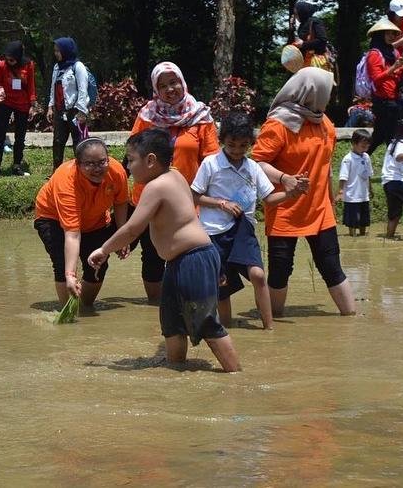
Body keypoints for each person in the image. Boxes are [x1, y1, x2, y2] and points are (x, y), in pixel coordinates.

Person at [88, 129, 241, 372]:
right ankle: (175, 371)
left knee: (206, 322)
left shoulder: (156, 186)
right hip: (182, 261)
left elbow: (132, 229)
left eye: (131, 159)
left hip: (193, 259)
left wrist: (103, 249)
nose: (128, 167)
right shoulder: (175, 175)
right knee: (172, 323)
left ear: (150, 160)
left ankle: (237, 378)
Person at [251, 68, 356, 318]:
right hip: (285, 209)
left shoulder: (324, 123)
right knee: (280, 270)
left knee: (331, 266)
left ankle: (352, 318)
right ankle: (272, 321)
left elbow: (326, 165)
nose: (329, 98)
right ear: (312, 93)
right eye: (327, 92)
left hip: (320, 210)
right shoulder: (278, 125)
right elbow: (256, 163)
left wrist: (330, 200)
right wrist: (284, 178)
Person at [191, 113, 298, 330]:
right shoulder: (211, 164)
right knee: (222, 284)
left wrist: (290, 194)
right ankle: (227, 328)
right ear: (222, 140)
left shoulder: (253, 167)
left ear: (250, 143)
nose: (237, 150)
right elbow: (194, 196)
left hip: (243, 229)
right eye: (232, 145)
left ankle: (269, 328)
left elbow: (268, 199)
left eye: (243, 145)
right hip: (214, 232)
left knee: (258, 275)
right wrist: (221, 203)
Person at [129, 61, 220, 302]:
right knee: (152, 255)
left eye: (174, 82)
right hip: (149, 197)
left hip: (188, 199)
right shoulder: (147, 115)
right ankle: (156, 307)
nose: (170, 89)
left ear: (183, 82)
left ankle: (186, 300)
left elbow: (212, 162)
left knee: (186, 252)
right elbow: (133, 153)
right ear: (156, 89)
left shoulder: (201, 115)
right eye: (163, 85)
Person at [34, 138, 129, 310]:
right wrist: (71, 275)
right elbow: (72, 234)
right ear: (77, 164)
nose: (98, 169)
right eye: (90, 164)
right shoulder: (66, 180)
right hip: (53, 217)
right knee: (63, 263)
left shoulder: (116, 171)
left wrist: (122, 234)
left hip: (94, 219)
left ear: (109, 158)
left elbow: (121, 202)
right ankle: (68, 311)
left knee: (98, 264)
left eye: (102, 162)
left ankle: (84, 306)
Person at [0, 41, 37, 177]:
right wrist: (1, 89)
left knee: (20, 136)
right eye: (7, 58)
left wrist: (32, 103)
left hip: (22, 103)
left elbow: (31, 85)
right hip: (6, 102)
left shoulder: (29, 65)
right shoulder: (2, 65)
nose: (9, 61)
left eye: (12, 59)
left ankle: (17, 165)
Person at [365, 17, 403, 156]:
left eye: (394, 34)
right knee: (392, 136)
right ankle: (394, 169)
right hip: (383, 100)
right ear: (381, 35)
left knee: (381, 136)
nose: (392, 37)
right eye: (389, 33)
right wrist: (394, 68)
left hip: (394, 98)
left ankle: (361, 160)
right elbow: (376, 79)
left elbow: (397, 76)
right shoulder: (374, 54)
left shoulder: (393, 53)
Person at [47, 37, 90, 170]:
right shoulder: (56, 67)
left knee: (79, 143)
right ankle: (56, 172)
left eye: (58, 51)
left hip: (74, 111)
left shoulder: (78, 67)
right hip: (60, 111)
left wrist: (82, 111)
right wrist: (50, 106)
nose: (56, 54)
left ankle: (81, 171)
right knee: (58, 142)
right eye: (55, 51)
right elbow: (53, 87)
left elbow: (83, 90)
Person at [335, 129, 373, 237]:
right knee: (352, 220)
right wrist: (341, 191)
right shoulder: (348, 159)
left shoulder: (366, 157)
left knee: (364, 219)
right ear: (354, 143)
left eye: (367, 146)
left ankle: (362, 235)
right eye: (362, 146)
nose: (365, 148)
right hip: (352, 195)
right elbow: (343, 176)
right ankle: (352, 236)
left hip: (364, 195)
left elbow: (369, 175)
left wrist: (370, 188)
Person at [291, 1, 330, 69]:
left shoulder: (315, 22)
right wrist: (292, 26)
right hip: (305, 62)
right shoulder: (301, 26)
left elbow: (322, 40)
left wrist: (304, 44)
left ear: (302, 12)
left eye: (296, 14)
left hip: (317, 61)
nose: (295, 16)